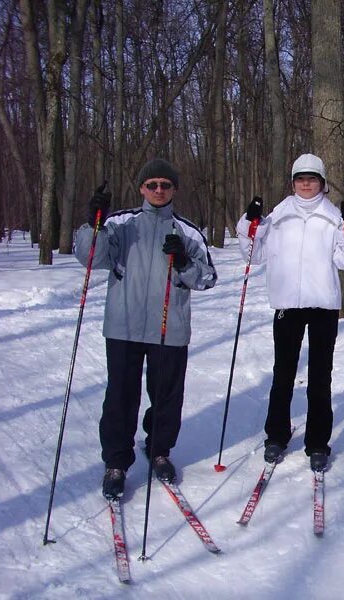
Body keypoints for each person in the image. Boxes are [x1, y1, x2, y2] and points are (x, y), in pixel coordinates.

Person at [75, 158, 217, 499]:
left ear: (174, 190)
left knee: (167, 397)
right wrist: (93, 222)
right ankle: (116, 463)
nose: (158, 190)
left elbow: (208, 277)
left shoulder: (187, 231)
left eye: (164, 185)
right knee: (120, 396)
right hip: (124, 326)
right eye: (151, 184)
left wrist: (183, 263)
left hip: (170, 328)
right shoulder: (121, 223)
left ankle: (159, 450)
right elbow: (90, 258)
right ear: (141, 188)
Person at [236, 153, 344, 472]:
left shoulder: (332, 217)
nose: (306, 184)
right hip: (287, 306)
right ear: (293, 182)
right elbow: (254, 253)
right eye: (300, 179)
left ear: (322, 183)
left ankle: (318, 442)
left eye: (313, 179)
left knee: (320, 377)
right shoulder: (278, 216)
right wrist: (249, 223)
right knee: (284, 373)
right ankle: (276, 436)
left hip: (323, 305)